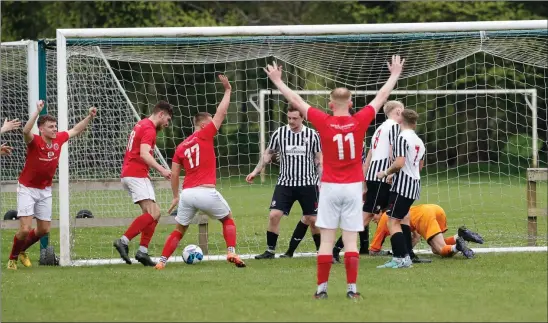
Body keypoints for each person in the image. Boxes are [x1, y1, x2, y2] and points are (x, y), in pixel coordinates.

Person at [264, 55, 405, 299]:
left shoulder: (323, 121)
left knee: (327, 241)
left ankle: (321, 290)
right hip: (352, 188)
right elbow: (381, 97)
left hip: (329, 187)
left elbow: (295, 99)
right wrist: (394, 74)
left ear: (330, 104)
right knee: (350, 241)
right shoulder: (360, 120)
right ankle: (352, 290)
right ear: (351, 103)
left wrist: (277, 80)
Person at [154, 75, 246, 269]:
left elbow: (175, 173)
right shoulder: (205, 135)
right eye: (211, 121)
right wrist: (228, 90)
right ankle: (231, 251)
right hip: (205, 191)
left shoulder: (181, 147)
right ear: (204, 125)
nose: (214, 123)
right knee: (228, 218)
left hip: (187, 194)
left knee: (179, 230)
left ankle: (161, 262)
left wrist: (175, 196)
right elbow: (221, 112)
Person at [7, 100, 97, 270]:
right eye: (51, 126)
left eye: (55, 126)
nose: (55, 129)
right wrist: (37, 112)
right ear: (41, 129)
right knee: (25, 229)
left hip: (45, 189)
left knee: (43, 230)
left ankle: (22, 250)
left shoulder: (59, 139)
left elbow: (76, 130)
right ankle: (12, 259)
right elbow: (26, 130)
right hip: (27, 188)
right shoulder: (34, 141)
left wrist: (89, 117)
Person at [332, 100, 404, 262]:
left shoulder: (379, 129)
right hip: (381, 178)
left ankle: (405, 252)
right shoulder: (393, 127)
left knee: (398, 213)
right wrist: (392, 172)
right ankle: (335, 250)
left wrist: (364, 181)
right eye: (402, 111)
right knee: (365, 218)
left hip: (374, 177)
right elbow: (393, 150)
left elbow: (369, 156)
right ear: (398, 111)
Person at [248, 105, 323, 259]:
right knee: (274, 215)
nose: (291, 121)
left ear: (303, 118)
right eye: (289, 118)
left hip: (308, 183)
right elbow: (267, 154)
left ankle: (321, 251)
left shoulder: (312, 135)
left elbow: (318, 160)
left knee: (313, 220)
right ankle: (270, 251)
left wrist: (322, 182)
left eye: (295, 118)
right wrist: (255, 171)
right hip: (285, 183)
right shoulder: (279, 133)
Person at [113, 100, 173, 266]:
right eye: (167, 119)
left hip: (130, 173)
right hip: (136, 174)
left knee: (153, 214)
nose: (167, 124)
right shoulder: (149, 129)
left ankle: (142, 252)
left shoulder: (141, 124)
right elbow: (145, 154)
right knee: (154, 213)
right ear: (161, 114)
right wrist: (162, 170)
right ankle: (123, 241)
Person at [376, 109, 425, 268]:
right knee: (402, 218)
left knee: (392, 221)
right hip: (414, 184)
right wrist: (395, 175)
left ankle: (400, 258)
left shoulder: (401, 138)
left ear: (400, 122)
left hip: (403, 186)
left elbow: (399, 163)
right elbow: (419, 166)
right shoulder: (419, 140)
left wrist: (385, 173)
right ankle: (406, 256)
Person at [369, 204, 482, 259]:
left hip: (424, 216)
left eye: (372, 214)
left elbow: (373, 251)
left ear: (380, 211)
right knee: (439, 244)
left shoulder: (385, 218)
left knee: (439, 250)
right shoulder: (398, 209)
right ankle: (460, 235)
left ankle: (457, 247)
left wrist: (394, 253)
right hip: (435, 209)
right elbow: (416, 238)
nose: (372, 219)